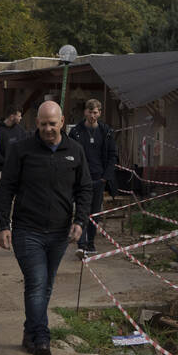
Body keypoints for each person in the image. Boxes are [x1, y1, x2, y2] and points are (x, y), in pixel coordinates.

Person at [0, 100, 92, 355]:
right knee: (36, 284)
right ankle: (42, 340)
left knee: (46, 285)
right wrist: (3, 225)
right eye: (43, 124)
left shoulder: (75, 151)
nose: (48, 129)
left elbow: (84, 189)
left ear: (62, 122)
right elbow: (6, 189)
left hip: (60, 232)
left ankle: (29, 330)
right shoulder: (21, 150)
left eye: (53, 123)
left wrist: (80, 221)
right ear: (35, 123)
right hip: (28, 230)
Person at [68, 98, 118, 254]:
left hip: (98, 178)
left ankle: (90, 242)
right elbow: (70, 153)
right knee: (82, 209)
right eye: (90, 112)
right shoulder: (76, 132)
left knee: (94, 211)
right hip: (81, 178)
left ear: (99, 113)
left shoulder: (106, 132)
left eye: (95, 112)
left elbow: (112, 155)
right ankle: (81, 243)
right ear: (85, 112)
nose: (92, 115)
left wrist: (106, 177)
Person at [0, 105, 27, 171]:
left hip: (17, 169)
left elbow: (25, 146)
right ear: (11, 117)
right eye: (19, 116)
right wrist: (5, 162)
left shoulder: (20, 130)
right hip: (1, 169)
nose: (21, 118)